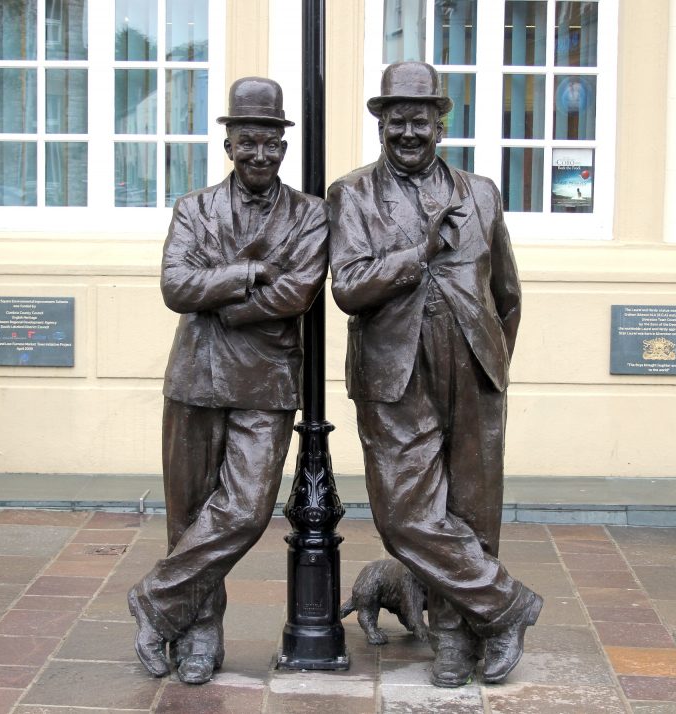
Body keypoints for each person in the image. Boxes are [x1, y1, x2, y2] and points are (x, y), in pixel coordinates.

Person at [328, 61, 542, 687]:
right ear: (380, 125)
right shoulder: (353, 194)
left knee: (473, 508)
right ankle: (506, 605)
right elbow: (349, 287)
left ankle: (455, 637)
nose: (408, 132)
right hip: (394, 371)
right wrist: (418, 251)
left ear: (441, 125)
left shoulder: (481, 193)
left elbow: (507, 292)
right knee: (404, 515)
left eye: (419, 121)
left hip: (474, 365)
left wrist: (491, 359)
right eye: (396, 121)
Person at [128, 77, 328, 685]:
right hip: (195, 376)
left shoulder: (310, 214)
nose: (259, 154)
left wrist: (223, 300)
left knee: (244, 510)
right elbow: (175, 287)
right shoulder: (194, 208)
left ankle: (154, 599)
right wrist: (251, 271)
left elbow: (298, 293)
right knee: (189, 516)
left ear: (283, 146)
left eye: (270, 142)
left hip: (267, 382)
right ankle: (200, 631)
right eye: (248, 141)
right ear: (229, 145)